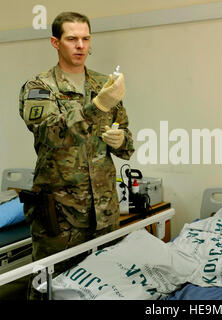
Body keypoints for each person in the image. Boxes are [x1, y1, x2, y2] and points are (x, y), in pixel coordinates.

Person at [18, 11, 135, 299]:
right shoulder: (39, 87)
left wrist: (120, 140)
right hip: (60, 216)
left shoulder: (103, 84)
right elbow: (50, 134)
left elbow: (127, 144)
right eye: (72, 39)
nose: (80, 45)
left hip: (104, 210)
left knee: (103, 285)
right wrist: (99, 105)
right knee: (53, 289)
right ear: (55, 43)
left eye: (85, 38)